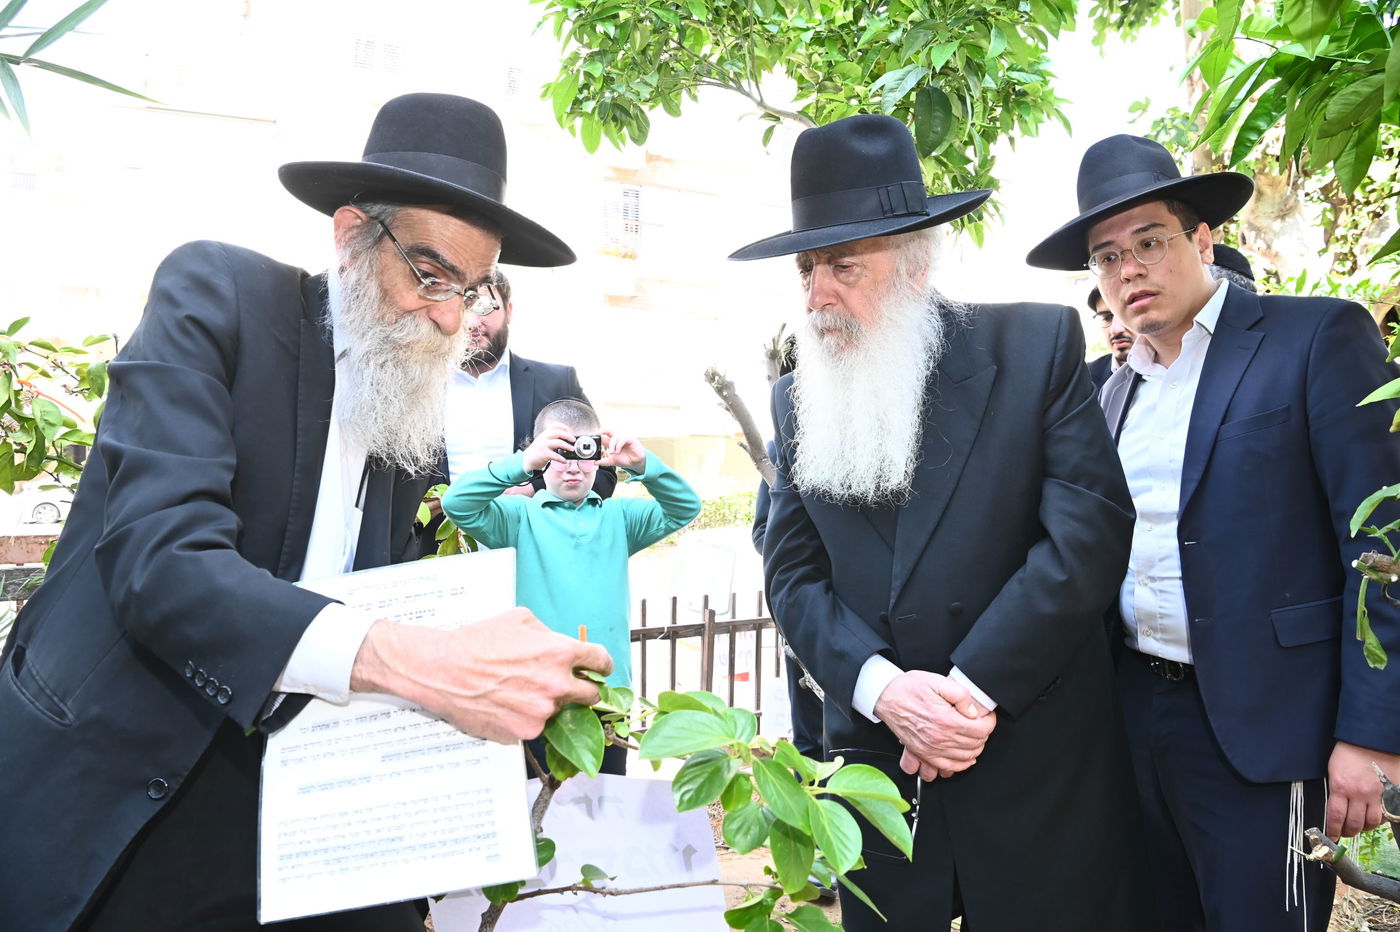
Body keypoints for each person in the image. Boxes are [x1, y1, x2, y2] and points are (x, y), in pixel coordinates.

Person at [0, 94, 614, 931]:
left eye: (472, 292)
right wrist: (431, 664)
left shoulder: (406, 405)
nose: (450, 319)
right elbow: (161, 563)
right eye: (430, 274)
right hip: (113, 772)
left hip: (295, 807)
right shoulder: (217, 297)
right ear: (352, 234)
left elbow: (381, 594)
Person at [730, 113, 1140, 930]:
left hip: (1031, 767)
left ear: (916, 266)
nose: (817, 295)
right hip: (880, 781)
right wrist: (883, 690)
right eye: (807, 269)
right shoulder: (795, 400)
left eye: (843, 265)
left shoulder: (1034, 347)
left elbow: (1088, 536)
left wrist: (968, 695)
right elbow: (793, 576)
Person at [1027, 133, 1400, 932]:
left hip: (1271, 724)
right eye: (1106, 257)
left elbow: (1384, 547)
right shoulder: (1106, 393)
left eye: (1149, 241)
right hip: (1134, 715)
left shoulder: (1317, 339)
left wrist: (1372, 736)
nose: (1129, 270)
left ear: (1203, 239)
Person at [442, 399, 701, 776]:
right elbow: (457, 503)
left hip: (607, 693)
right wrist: (522, 463)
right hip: (535, 691)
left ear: (599, 456)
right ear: (542, 454)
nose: (574, 466)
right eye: (561, 453)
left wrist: (642, 464)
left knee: (606, 798)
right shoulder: (518, 518)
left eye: (585, 451)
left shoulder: (619, 517)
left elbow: (685, 507)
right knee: (540, 800)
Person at [1088, 285, 1135, 390]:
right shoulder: (1084, 378)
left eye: (1126, 314)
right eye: (1107, 318)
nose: (1115, 330)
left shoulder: (1169, 370)